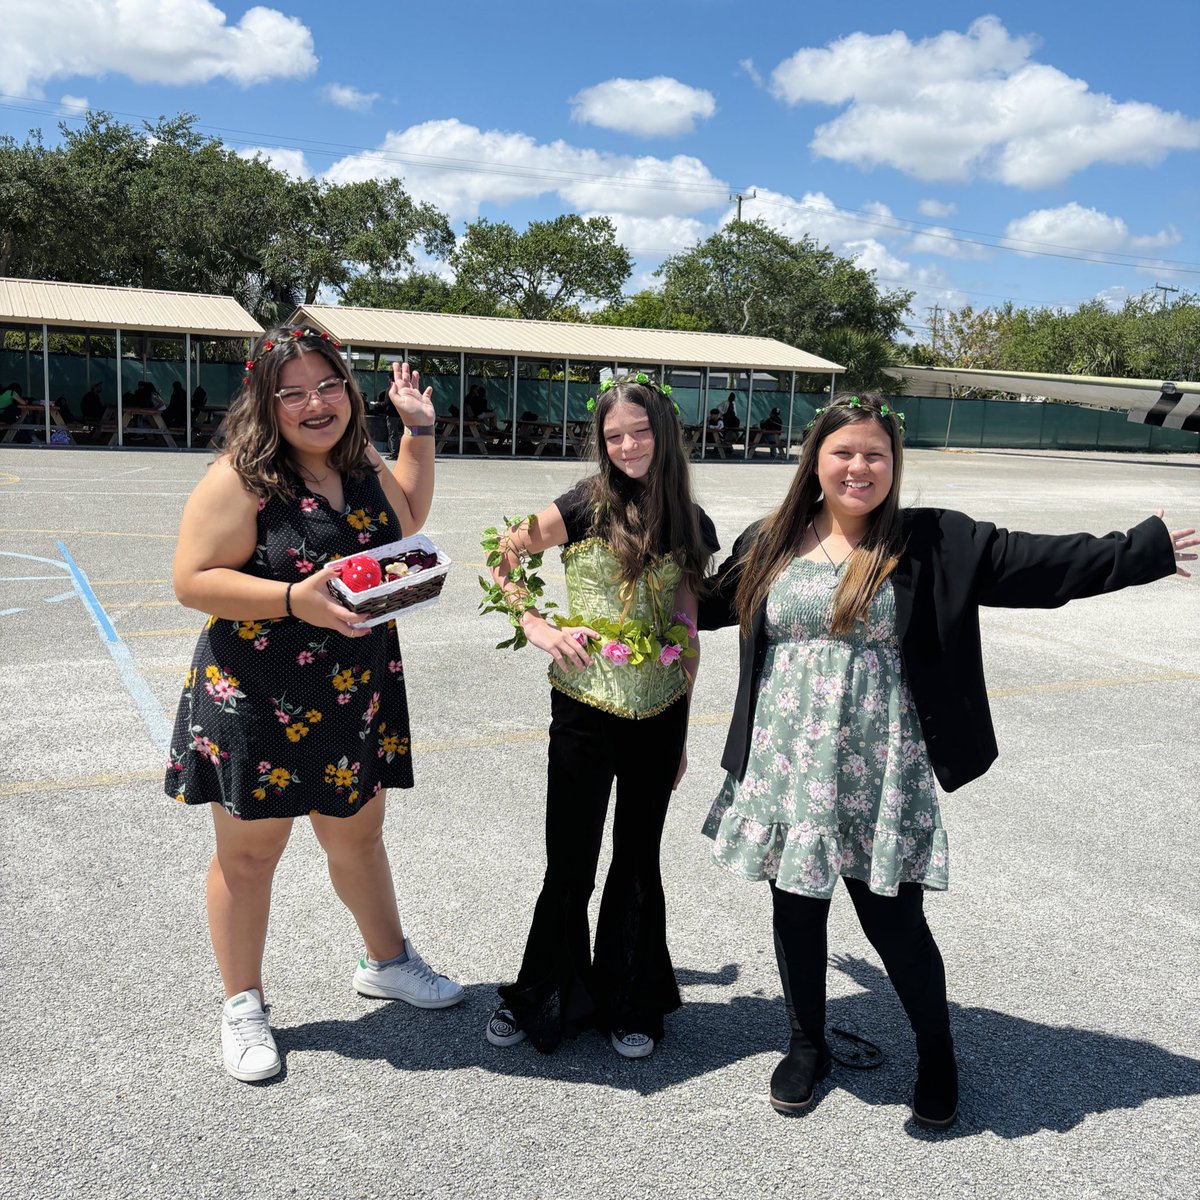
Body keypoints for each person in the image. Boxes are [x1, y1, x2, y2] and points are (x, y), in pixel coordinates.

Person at [697, 391, 1196, 1126]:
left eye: (875, 454)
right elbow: (703, 602)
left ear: (894, 464)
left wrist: (1143, 549)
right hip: (787, 766)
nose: (859, 466)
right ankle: (807, 1043)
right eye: (844, 452)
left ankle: (936, 1051)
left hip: (879, 769)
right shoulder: (770, 538)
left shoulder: (932, 540)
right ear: (817, 460)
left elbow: (1040, 565)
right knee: (796, 910)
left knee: (894, 921)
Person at [163, 327, 461, 1084]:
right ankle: (242, 1003)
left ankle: (387, 962)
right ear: (266, 403)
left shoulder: (360, 463)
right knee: (249, 857)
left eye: (326, 384)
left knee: (359, 837)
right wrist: (296, 598)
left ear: (348, 389)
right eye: (290, 391)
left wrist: (418, 430)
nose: (313, 403)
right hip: (259, 695)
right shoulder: (243, 477)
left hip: (350, 690)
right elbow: (193, 579)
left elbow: (408, 520)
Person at [482, 372, 719, 1059]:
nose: (628, 445)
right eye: (615, 435)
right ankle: (543, 995)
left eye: (641, 432)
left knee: (638, 859)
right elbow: (504, 554)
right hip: (583, 704)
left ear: (665, 433)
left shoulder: (690, 521)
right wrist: (535, 623)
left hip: (660, 710)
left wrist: (683, 733)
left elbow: (688, 628)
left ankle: (629, 999)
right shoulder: (581, 504)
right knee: (571, 862)